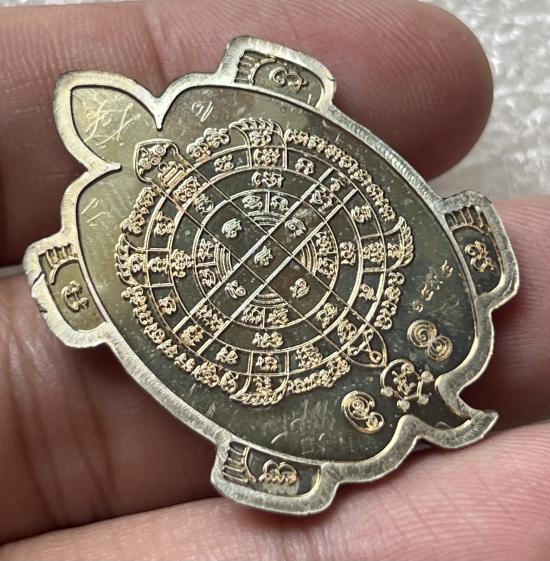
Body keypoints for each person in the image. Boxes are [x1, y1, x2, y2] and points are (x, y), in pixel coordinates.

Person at [0, 0, 548, 559]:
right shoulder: (102, 217)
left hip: (363, 294)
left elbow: (308, 96)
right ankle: (277, 462)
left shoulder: (220, 105)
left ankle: (281, 462)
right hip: (305, 372)